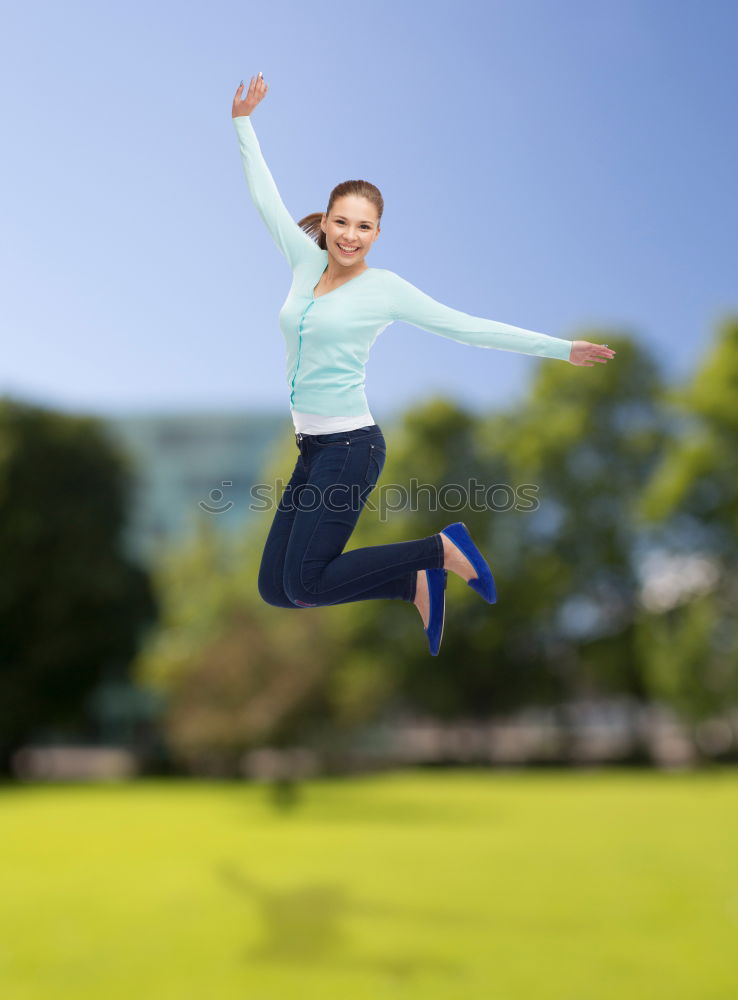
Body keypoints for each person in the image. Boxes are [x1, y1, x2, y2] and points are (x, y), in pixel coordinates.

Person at [230, 73, 616, 655]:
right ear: (327, 222)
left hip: (350, 449)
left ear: (377, 233)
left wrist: (560, 348)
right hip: (312, 451)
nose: (350, 236)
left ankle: (439, 549)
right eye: (341, 223)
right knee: (278, 589)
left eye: (364, 227)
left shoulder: (385, 290)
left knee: (306, 579)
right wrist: (243, 123)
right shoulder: (302, 265)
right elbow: (265, 197)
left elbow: (466, 328)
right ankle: (412, 581)